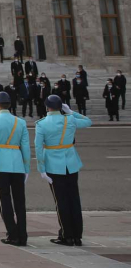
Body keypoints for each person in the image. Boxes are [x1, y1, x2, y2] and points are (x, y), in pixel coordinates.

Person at [36, 94, 92, 246]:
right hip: (71, 163)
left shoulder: (42, 124)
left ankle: (66, 235)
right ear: (61, 107)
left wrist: (41, 169)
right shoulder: (70, 119)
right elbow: (88, 121)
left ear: (47, 107)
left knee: (61, 201)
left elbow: (38, 149)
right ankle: (77, 236)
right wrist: (71, 112)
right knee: (74, 199)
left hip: (53, 166)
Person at [0, 91, 29, 246]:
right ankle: (22, 234)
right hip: (17, 164)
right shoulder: (20, 122)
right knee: (20, 202)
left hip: (0, 165)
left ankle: (12, 234)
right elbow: (25, 147)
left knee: (5, 200)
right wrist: (26, 168)